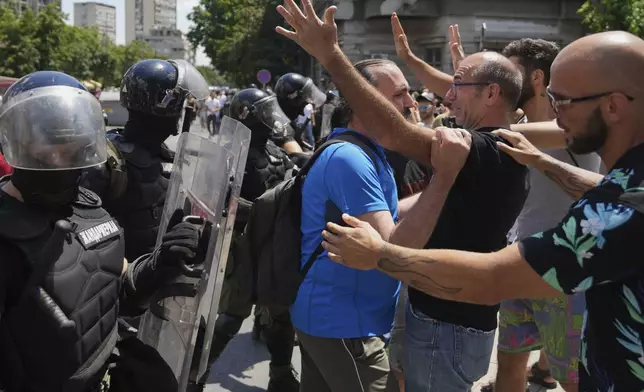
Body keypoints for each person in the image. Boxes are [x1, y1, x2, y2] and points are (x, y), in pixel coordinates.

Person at [321, 30, 644, 391]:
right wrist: (540, 160)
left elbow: (492, 279)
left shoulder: (621, 211)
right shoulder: (624, 186)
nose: (553, 113)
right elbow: (607, 189)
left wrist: (380, 255)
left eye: (562, 100)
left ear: (613, 106)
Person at [275, 3, 528, 391]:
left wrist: (331, 56)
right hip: (373, 322)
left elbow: (395, 135)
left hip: (446, 329)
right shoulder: (357, 155)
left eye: (456, 84)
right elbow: (396, 214)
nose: (441, 98)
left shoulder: (479, 150)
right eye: (400, 95)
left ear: (491, 93)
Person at [0, 71, 206, 392]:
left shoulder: (89, 205)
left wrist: (160, 262)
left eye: (70, 149)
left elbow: (117, 283)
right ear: (18, 144)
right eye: (45, 148)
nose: (58, 159)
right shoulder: (6, 234)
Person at [187, 87, 300, 392]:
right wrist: (262, 210)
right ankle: (192, 374)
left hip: (275, 246)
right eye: (263, 112)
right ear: (245, 116)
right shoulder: (228, 156)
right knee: (231, 315)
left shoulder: (277, 153)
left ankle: (280, 375)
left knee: (281, 314)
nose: (270, 118)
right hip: (241, 245)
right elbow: (213, 203)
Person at [83, 58, 209, 263]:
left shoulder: (160, 153)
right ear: (166, 106)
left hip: (162, 283)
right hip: (125, 286)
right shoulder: (106, 164)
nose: (182, 115)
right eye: (179, 105)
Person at [274, 72, 328, 149]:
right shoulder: (279, 126)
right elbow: (293, 154)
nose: (308, 102)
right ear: (292, 99)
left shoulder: (289, 122)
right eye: (304, 97)